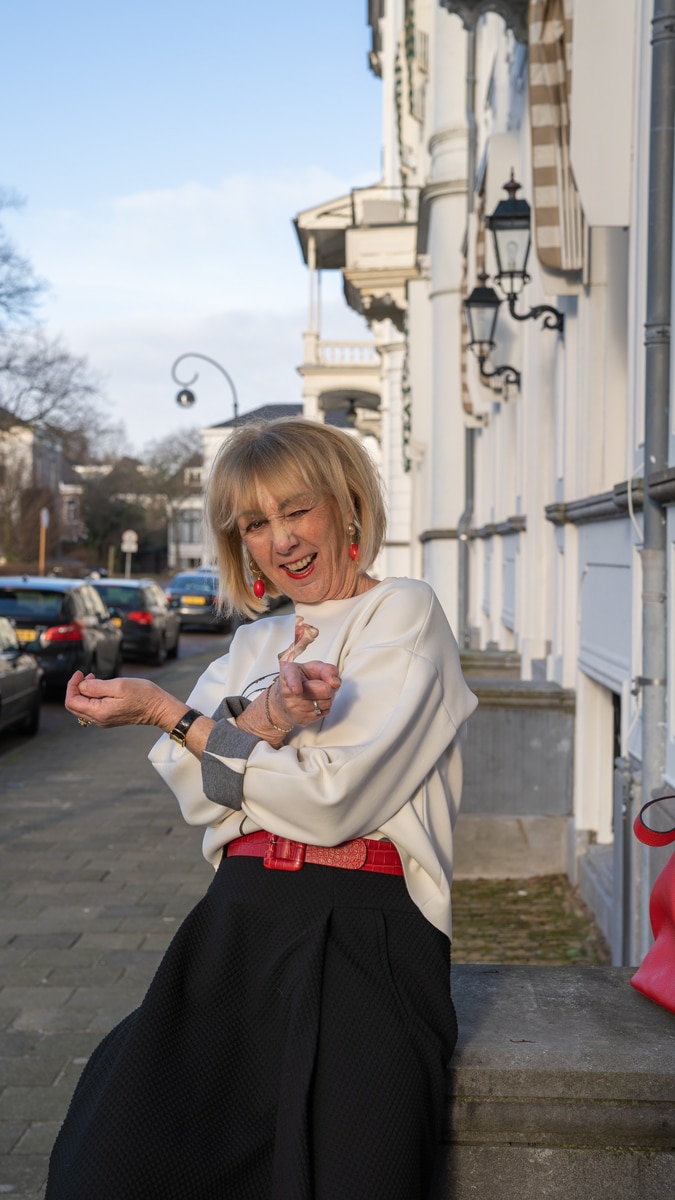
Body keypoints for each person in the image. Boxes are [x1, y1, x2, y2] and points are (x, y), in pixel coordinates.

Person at [46, 417, 477, 1200]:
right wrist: (269, 724)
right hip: (238, 917)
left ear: (347, 506)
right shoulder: (251, 648)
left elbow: (331, 803)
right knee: (106, 1164)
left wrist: (174, 716)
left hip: (366, 925)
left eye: (295, 510)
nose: (280, 540)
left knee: (351, 1173)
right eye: (254, 523)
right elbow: (199, 800)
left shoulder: (404, 613)